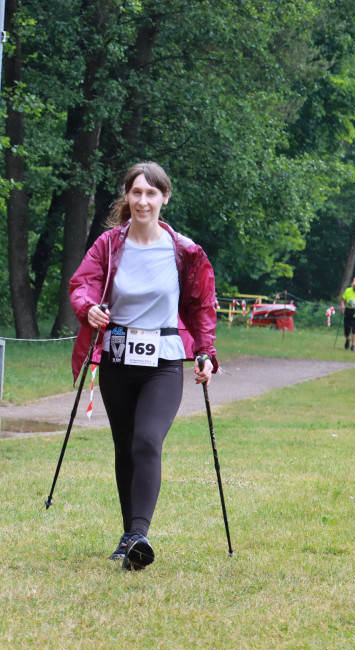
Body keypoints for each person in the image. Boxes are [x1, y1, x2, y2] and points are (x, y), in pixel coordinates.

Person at [68, 161, 218, 572]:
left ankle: (139, 534)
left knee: (148, 440)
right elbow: (83, 284)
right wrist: (89, 309)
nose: (143, 201)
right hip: (117, 358)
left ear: (164, 198)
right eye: (136, 192)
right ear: (127, 197)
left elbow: (202, 305)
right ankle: (128, 534)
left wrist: (205, 352)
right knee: (125, 447)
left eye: (152, 193)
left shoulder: (184, 251)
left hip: (164, 361)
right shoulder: (110, 245)